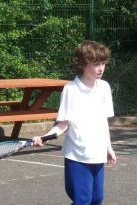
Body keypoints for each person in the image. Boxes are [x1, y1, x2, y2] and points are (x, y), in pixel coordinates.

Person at [32, 40, 117, 205]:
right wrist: (44, 137)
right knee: (82, 200)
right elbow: (63, 124)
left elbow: (103, 122)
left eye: (103, 63)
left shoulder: (104, 87)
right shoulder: (71, 90)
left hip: (98, 154)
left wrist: (109, 147)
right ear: (83, 64)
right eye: (96, 64)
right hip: (77, 155)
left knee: (97, 199)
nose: (101, 68)